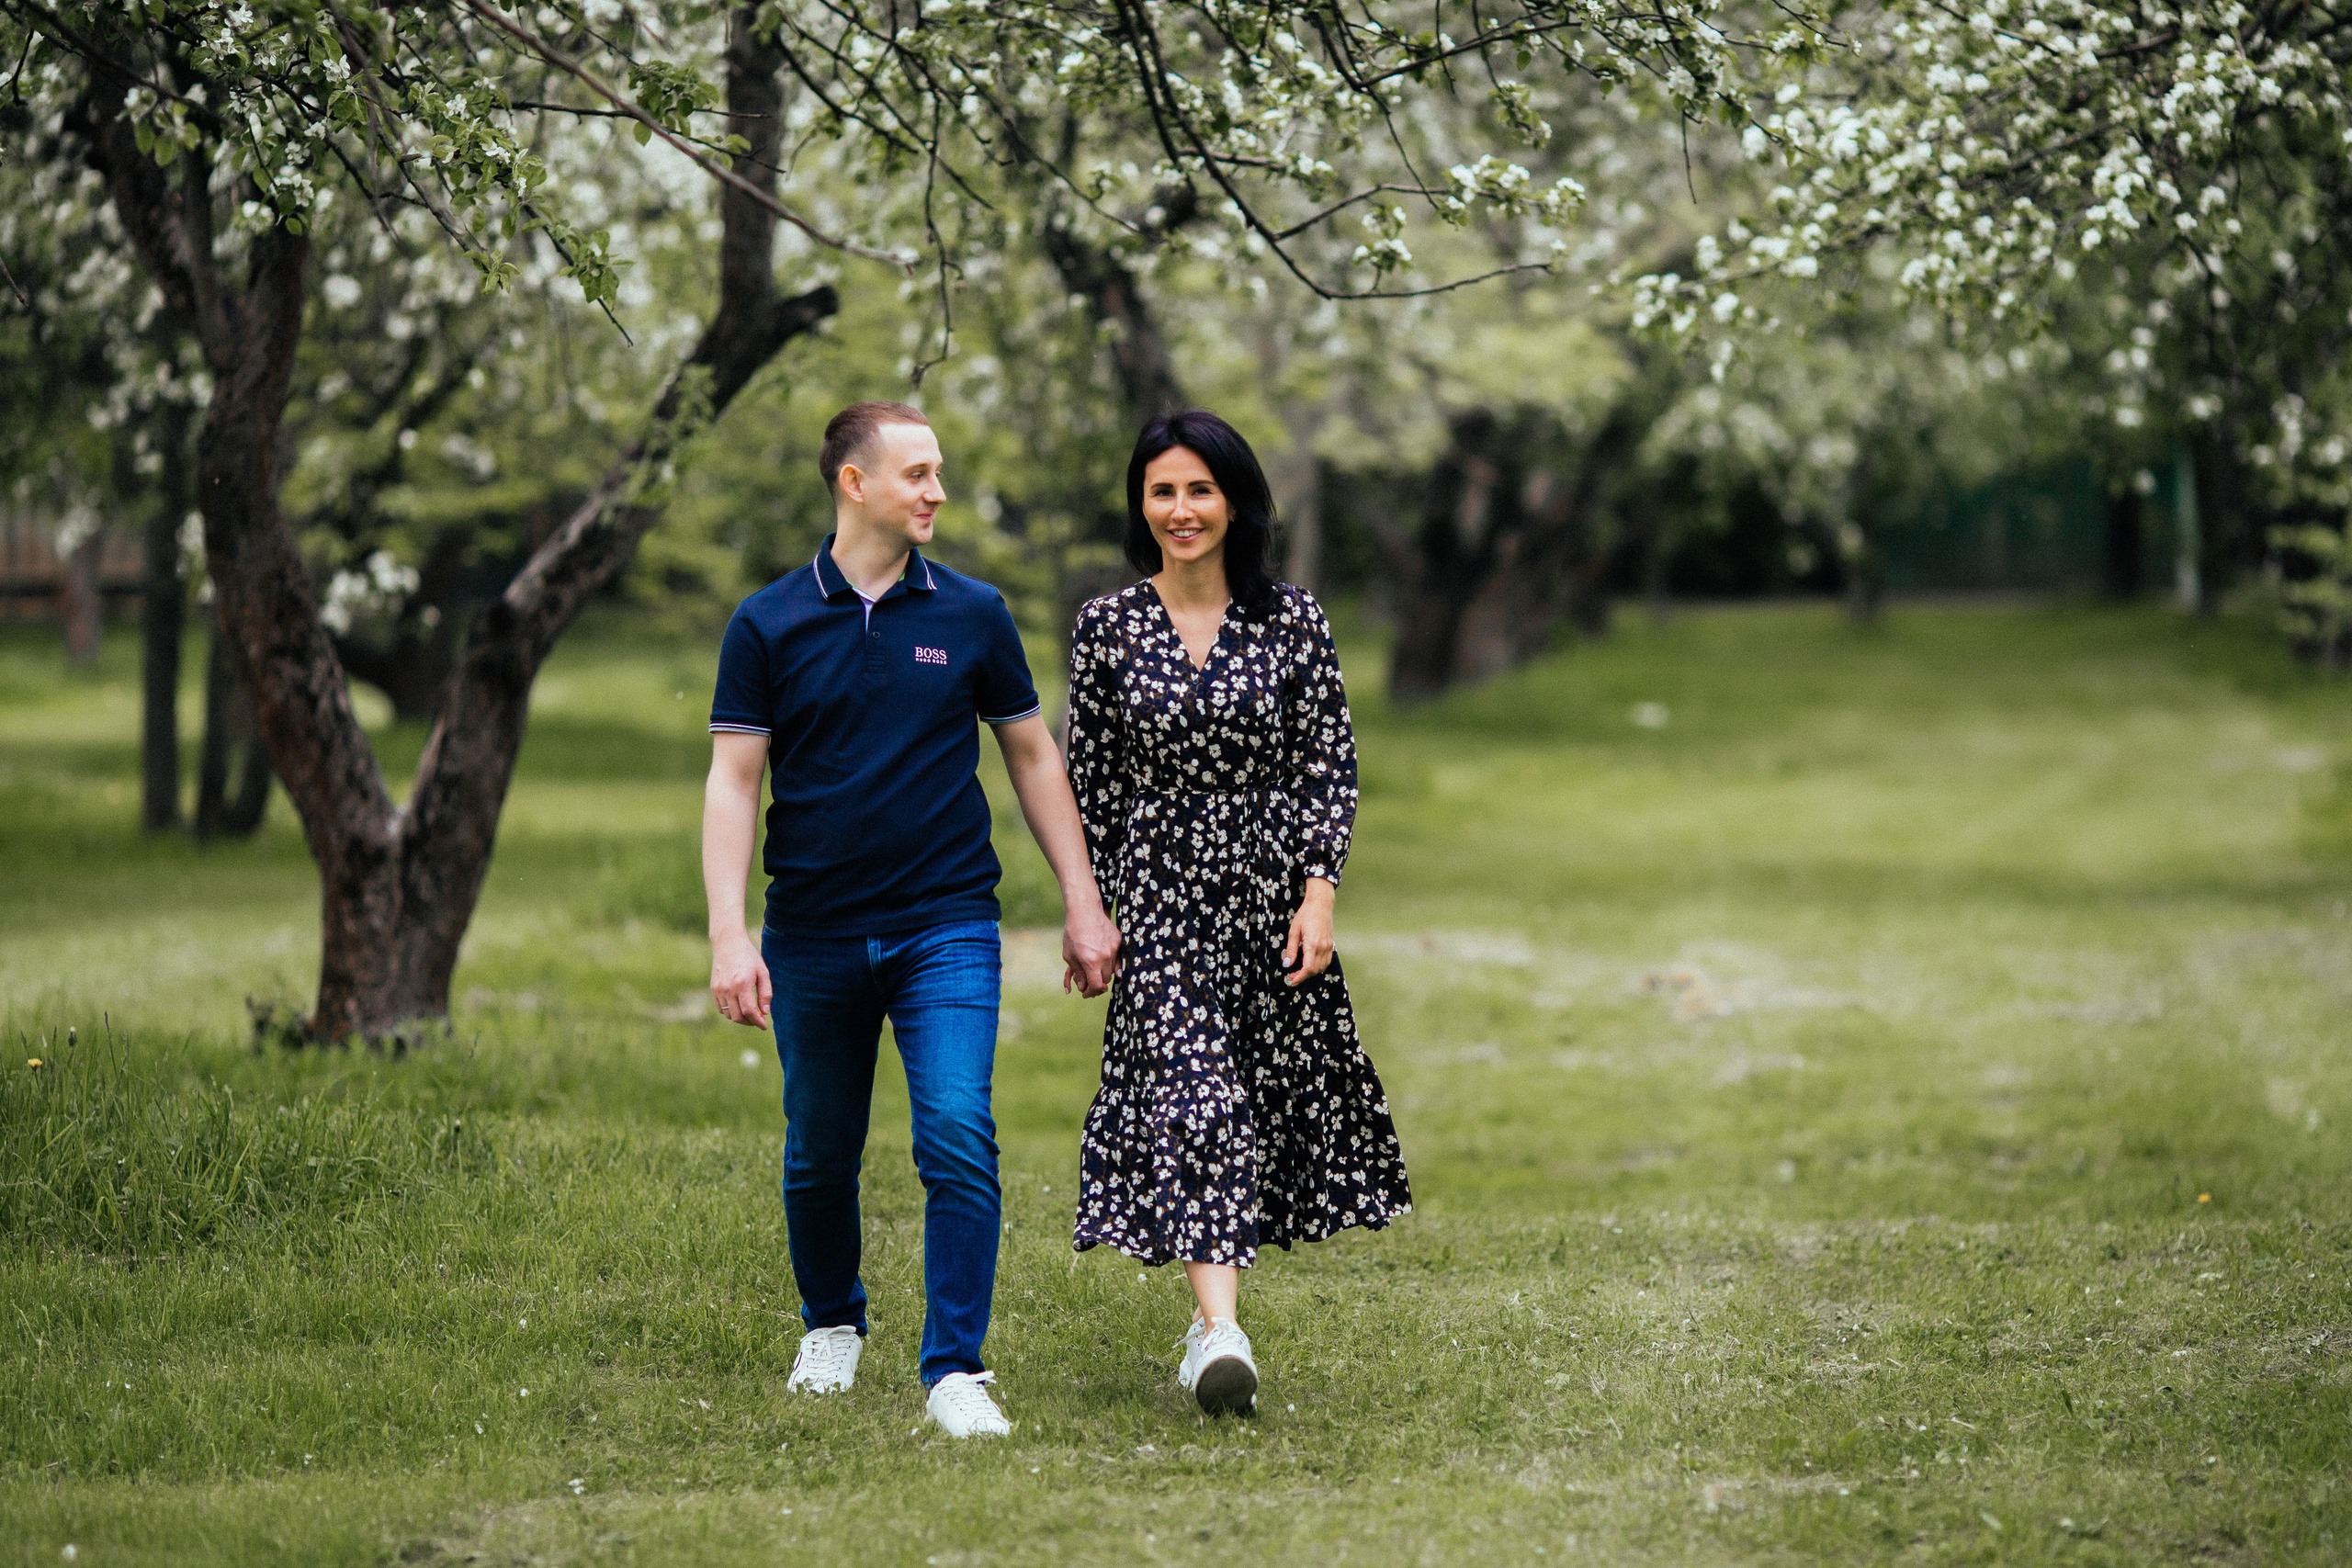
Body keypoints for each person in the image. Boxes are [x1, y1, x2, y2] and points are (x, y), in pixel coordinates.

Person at [703, 400, 1122, 1439]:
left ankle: (956, 1371)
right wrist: (727, 933)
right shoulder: (767, 622)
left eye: (938, 473)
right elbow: (731, 783)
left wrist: (1081, 902)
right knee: (819, 1148)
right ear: (854, 483)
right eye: (918, 473)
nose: (937, 490)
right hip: (811, 932)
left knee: (956, 1132)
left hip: (946, 924)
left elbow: (1031, 756)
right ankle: (831, 1327)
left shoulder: (973, 613)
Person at [1063, 409, 1410, 1416]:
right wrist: (1092, 910)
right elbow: (1088, 785)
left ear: (1235, 501)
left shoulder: (1292, 620)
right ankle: (1218, 1330)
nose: (1181, 510)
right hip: (1160, 895)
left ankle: (1210, 1320)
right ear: (1141, 502)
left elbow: (1325, 765)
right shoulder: (1105, 627)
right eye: (1163, 490)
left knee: (1253, 1101)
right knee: (1196, 1099)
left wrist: (1318, 891)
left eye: (1200, 490)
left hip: (1268, 896)